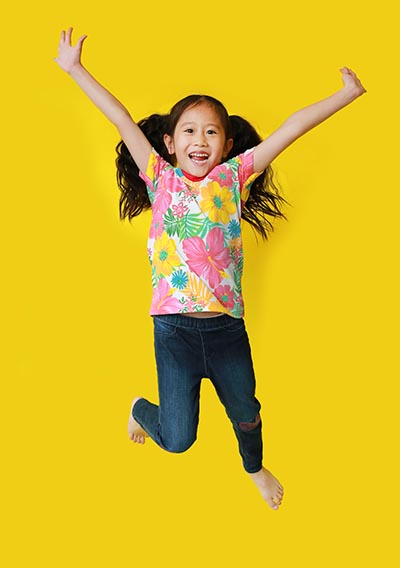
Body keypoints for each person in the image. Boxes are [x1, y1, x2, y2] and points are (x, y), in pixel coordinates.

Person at [55, 27, 366, 511]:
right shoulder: (159, 177)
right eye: (189, 131)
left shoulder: (233, 176)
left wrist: (346, 95)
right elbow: (119, 117)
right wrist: (75, 68)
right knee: (178, 440)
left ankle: (254, 467)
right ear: (170, 142)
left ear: (225, 143)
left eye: (211, 131)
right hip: (174, 332)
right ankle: (140, 410)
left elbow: (291, 128)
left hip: (226, 331)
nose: (200, 140)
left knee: (247, 413)